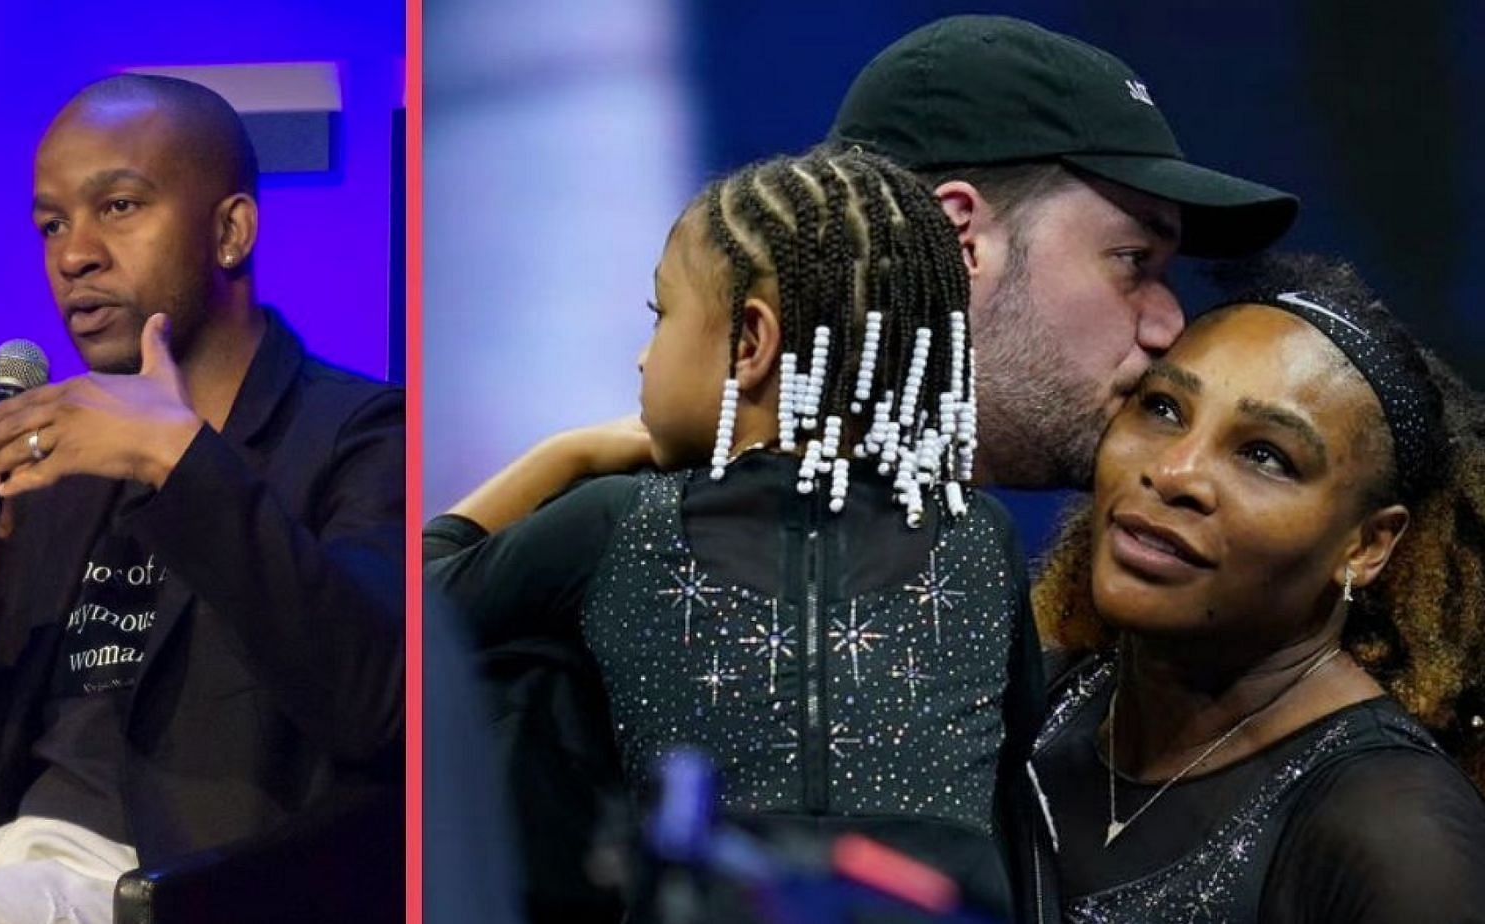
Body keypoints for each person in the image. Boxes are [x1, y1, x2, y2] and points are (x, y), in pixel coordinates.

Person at [431, 147, 1044, 922]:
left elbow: (411, 616)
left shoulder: (620, 524)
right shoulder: (977, 536)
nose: (644, 355)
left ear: (750, 344)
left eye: (661, 315)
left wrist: (567, 454)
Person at [0, 74, 403, 920]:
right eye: (53, 224)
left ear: (230, 231)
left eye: (119, 207)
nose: (73, 256)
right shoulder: (55, 457)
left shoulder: (360, 434)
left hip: (154, 882)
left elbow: (374, 703)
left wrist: (176, 459)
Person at [1028, 254, 1485, 922]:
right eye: (1161, 408)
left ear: (1367, 546)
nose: (1174, 470)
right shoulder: (1031, 702)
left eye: (1265, 455)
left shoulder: (1399, 832)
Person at [828, 14, 1298, 488]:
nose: (1170, 326)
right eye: (1134, 259)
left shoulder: (873, 537)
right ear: (958, 242)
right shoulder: (784, 545)